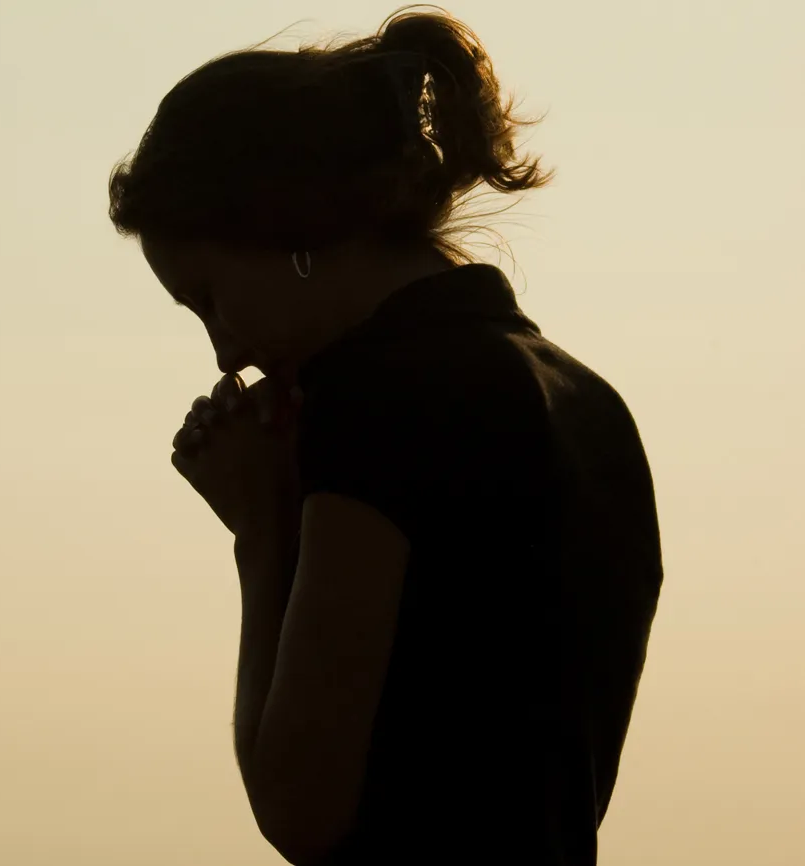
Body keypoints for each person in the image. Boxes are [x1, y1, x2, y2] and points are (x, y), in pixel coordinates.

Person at [107, 6, 663, 865]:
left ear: (287, 229)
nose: (224, 351)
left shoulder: (382, 399)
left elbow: (301, 809)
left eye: (210, 299)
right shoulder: (590, 403)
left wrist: (265, 527)